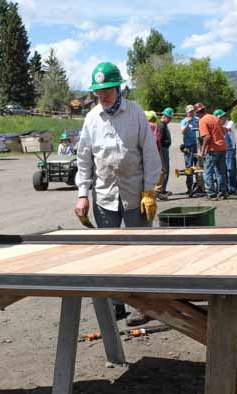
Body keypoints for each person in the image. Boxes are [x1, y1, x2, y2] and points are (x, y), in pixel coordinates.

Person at [74, 62, 162, 326]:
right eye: (98, 91)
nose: (102, 96)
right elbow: (84, 159)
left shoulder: (135, 113)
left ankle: (144, 305)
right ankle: (116, 305)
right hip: (104, 195)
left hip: (135, 192)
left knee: (140, 250)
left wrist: (149, 190)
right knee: (108, 253)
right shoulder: (91, 119)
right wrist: (82, 194)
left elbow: (149, 153)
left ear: (117, 87)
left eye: (107, 90)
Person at [194, 102, 228, 200]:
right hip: (222, 147)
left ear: (197, 113)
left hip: (212, 149)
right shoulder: (214, 117)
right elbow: (222, 131)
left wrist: (202, 151)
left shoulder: (202, 121)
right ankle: (222, 193)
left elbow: (207, 137)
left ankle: (211, 194)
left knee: (207, 171)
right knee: (220, 171)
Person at [215, 109, 237, 195]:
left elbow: (226, 130)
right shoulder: (219, 125)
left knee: (231, 169)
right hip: (222, 149)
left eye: (220, 118)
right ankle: (226, 188)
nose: (220, 120)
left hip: (230, 149)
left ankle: (233, 188)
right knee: (222, 169)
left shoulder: (230, 123)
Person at [180, 104, 200, 196]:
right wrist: (188, 123)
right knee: (189, 167)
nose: (191, 113)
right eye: (190, 111)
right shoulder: (184, 121)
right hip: (188, 147)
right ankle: (189, 188)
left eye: (193, 111)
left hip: (197, 146)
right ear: (186, 112)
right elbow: (183, 132)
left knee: (198, 167)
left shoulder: (197, 120)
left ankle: (199, 186)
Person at [156, 108, 173, 200]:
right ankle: (160, 190)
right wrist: (161, 152)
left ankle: (163, 189)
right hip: (162, 150)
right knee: (164, 170)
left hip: (164, 149)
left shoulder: (164, 125)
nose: (170, 120)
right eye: (169, 118)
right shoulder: (161, 126)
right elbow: (159, 140)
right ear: (164, 116)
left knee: (166, 170)